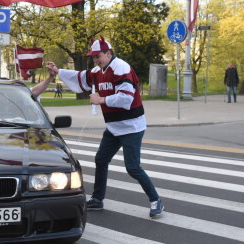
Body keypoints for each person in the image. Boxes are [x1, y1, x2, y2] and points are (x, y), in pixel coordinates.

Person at [47, 37, 164, 218]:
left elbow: (126, 98)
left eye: (98, 56)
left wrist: (102, 99)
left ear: (109, 54)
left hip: (131, 126)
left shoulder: (122, 68)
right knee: (101, 159)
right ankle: (97, 199)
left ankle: (156, 200)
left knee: (132, 167)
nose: (95, 60)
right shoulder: (97, 71)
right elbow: (80, 77)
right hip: (114, 126)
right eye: (93, 57)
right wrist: (58, 71)